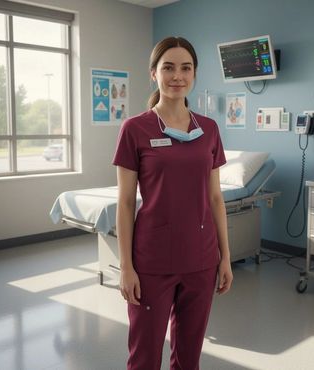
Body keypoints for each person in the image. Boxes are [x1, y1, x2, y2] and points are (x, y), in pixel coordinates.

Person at [112, 36, 233, 370]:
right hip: (152, 261)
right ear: (154, 73)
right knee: (145, 357)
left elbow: (215, 198)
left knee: (189, 358)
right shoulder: (135, 129)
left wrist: (226, 258)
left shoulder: (208, 129)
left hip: (201, 258)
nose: (177, 76)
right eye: (168, 67)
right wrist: (126, 267)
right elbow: (124, 204)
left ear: (194, 74)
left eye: (186, 68)